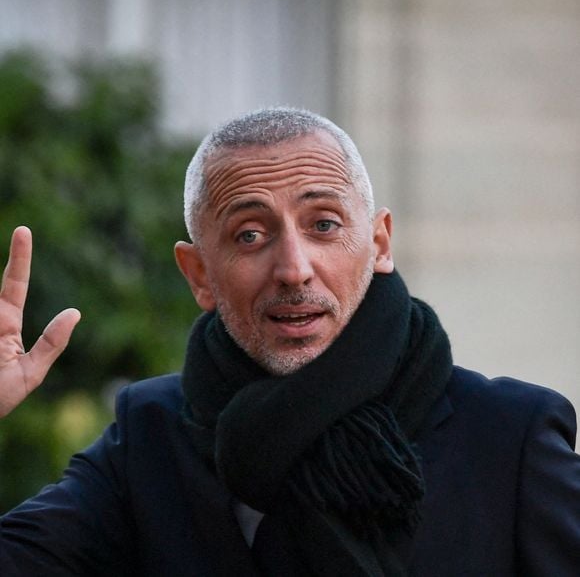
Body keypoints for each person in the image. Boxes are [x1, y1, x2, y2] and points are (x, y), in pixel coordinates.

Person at [1, 107, 579, 576]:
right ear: (199, 275)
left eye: (323, 225)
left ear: (378, 243)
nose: (294, 268)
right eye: (250, 235)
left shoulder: (508, 436)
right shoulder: (149, 437)